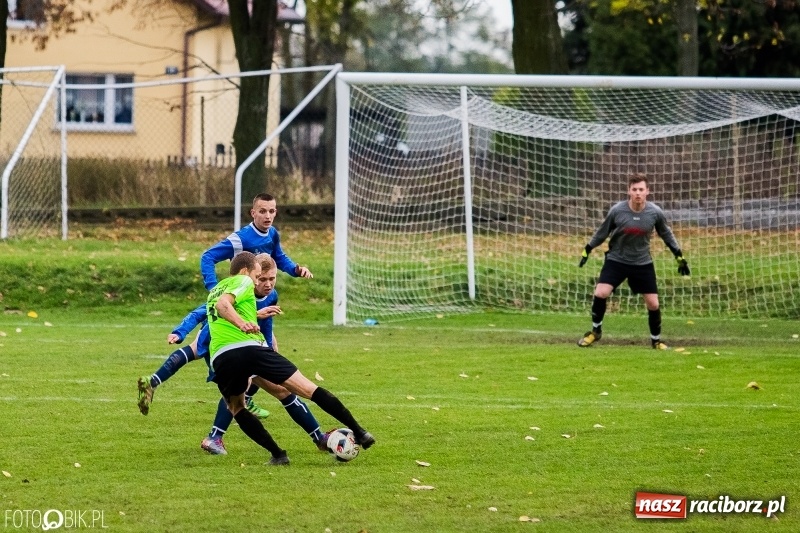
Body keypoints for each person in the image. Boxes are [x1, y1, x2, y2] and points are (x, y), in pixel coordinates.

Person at [137, 256, 328, 455]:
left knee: (242, 394)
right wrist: (180, 331)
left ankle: (214, 435)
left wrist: (269, 347)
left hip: (249, 347)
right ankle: (316, 438)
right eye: (261, 279)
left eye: (272, 278)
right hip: (229, 347)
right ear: (251, 274)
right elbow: (204, 310)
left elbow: (265, 326)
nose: (266, 284)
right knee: (273, 390)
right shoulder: (235, 288)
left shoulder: (270, 296)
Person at [207, 251, 374, 466]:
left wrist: (255, 315)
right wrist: (243, 324)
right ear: (244, 271)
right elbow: (224, 307)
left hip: (222, 357)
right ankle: (359, 431)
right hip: (249, 349)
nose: (258, 281)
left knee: (237, 408)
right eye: (257, 276)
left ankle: (278, 455)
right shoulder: (242, 280)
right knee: (308, 389)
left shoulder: (215, 290)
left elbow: (222, 309)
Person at [577, 174, 690, 350]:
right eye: (634, 189)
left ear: (647, 191)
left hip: (642, 262)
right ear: (629, 191)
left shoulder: (655, 212)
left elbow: (666, 233)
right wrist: (588, 248)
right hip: (617, 260)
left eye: (641, 190)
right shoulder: (617, 211)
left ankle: (656, 341)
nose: (638, 193)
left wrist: (679, 255)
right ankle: (595, 332)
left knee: (653, 303)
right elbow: (602, 232)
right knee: (600, 293)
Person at [200, 193, 313, 291]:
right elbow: (208, 257)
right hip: (242, 296)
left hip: (263, 293)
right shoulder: (240, 239)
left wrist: (295, 270)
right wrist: (213, 287)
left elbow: (278, 257)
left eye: (271, 211)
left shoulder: (273, 233)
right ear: (253, 213)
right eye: (262, 211)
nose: (268, 216)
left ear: (275, 212)